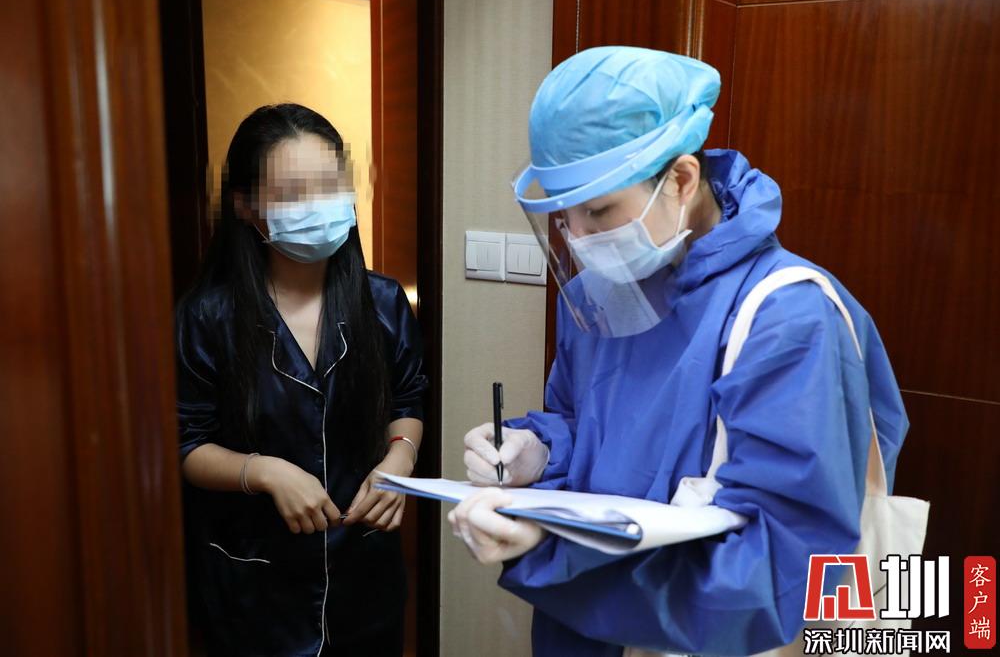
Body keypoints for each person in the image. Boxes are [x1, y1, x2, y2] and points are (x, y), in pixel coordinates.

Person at [450, 47, 908, 656]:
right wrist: (538, 452)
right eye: (564, 217)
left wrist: (549, 552)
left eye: (598, 210)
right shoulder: (597, 298)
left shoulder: (788, 317)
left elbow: (782, 569)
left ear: (683, 181)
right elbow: (592, 432)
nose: (580, 238)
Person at [176, 103, 427, 656]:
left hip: (366, 580)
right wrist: (262, 472)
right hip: (256, 590)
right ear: (245, 206)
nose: (316, 205)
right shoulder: (207, 317)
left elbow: (408, 401)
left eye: (330, 186)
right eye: (293, 193)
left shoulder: (384, 302)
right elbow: (187, 444)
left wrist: (399, 462)